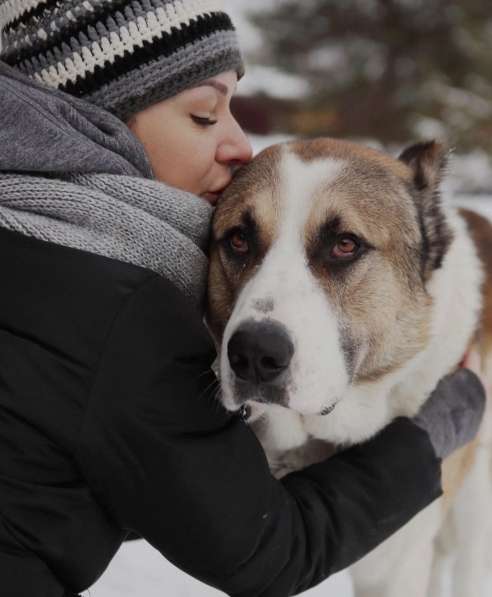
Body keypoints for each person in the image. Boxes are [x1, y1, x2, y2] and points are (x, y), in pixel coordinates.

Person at [0, 2, 486, 596]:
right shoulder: (115, 298)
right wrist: (431, 433)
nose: (240, 144)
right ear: (93, 119)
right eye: (205, 113)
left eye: (343, 247)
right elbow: (270, 552)